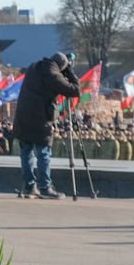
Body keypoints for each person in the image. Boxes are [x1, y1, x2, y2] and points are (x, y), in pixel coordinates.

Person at [11, 52, 80, 199]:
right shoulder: (54, 76)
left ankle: (29, 187)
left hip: (23, 117)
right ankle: (45, 187)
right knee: (43, 153)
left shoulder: (33, 67)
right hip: (41, 120)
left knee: (26, 153)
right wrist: (70, 71)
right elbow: (75, 90)